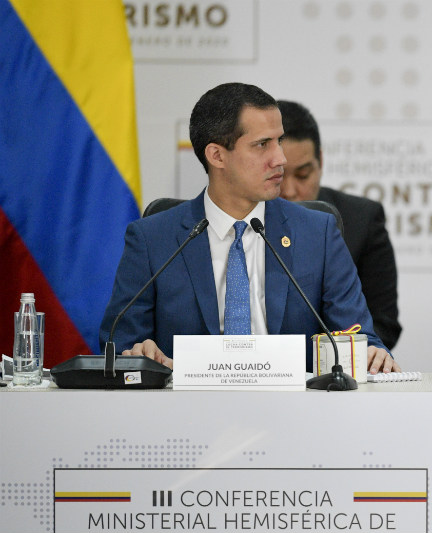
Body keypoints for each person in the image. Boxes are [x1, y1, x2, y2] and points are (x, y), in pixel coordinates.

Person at [99, 82, 399, 375]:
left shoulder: (317, 233)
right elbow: (119, 343)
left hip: (297, 413)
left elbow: (358, 337)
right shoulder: (153, 239)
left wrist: (370, 353)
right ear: (217, 155)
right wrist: (139, 353)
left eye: (278, 141)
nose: (280, 159)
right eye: (262, 145)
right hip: (184, 413)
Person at [276, 100, 402, 350]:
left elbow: (384, 323)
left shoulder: (362, 218)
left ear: (320, 161)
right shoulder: (240, 219)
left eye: (302, 175)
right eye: (279, 175)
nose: (289, 190)